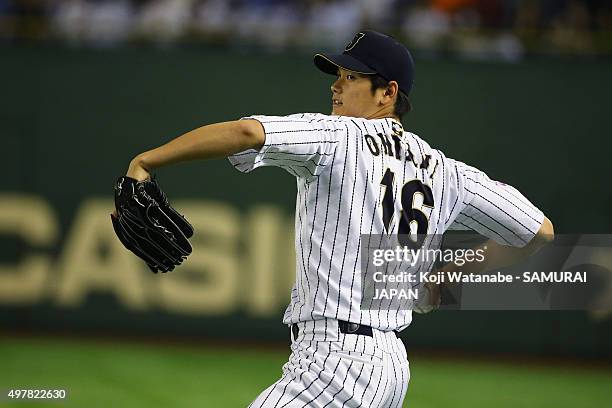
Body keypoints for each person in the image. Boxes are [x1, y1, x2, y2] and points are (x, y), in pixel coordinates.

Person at [124, 30, 554, 407]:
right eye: (338, 75)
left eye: (352, 77)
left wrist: (145, 161)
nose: (337, 86)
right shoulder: (447, 172)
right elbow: (538, 231)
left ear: (388, 93)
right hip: (390, 367)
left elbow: (246, 132)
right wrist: (445, 280)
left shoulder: (339, 136)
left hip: (335, 360)